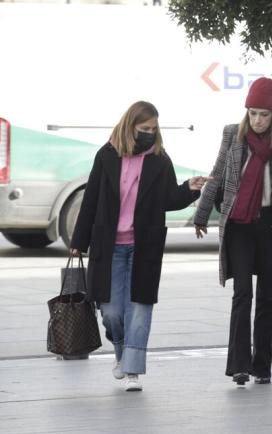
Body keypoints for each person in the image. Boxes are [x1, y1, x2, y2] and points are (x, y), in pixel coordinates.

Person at [69, 101, 208, 392]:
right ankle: (122, 353)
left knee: (140, 308)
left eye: (153, 129)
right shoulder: (106, 155)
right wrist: (79, 241)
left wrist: (189, 189)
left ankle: (132, 370)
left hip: (144, 245)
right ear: (130, 126)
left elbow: (169, 199)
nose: (149, 133)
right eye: (144, 128)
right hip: (109, 246)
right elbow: (91, 199)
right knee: (111, 312)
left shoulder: (159, 159)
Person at [194, 77, 272, 386]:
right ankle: (238, 364)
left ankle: (261, 366)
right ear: (246, 113)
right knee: (242, 294)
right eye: (253, 113)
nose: (258, 120)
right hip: (238, 225)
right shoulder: (232, 137)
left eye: (264, 114)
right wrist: (200, 214)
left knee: (267, 296)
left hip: (268, 226)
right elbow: (218, 174)